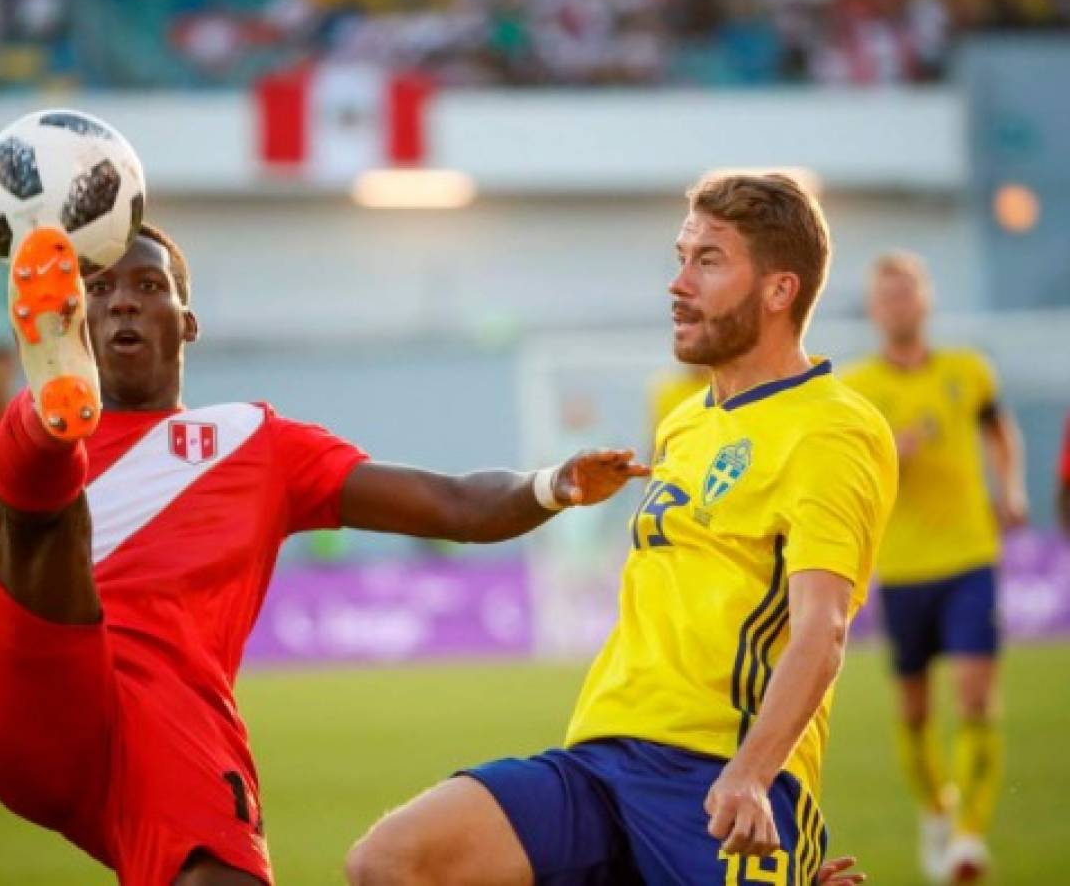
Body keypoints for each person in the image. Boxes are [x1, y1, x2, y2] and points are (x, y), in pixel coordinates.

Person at [0, 221, 650, 886]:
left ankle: (44, 432)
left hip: (170, 721)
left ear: (188, 320)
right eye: (98, 291)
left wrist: (554, 483)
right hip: (35, 689)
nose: (122, 303)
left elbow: (453, 504)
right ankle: (45, 427)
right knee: (44, 502)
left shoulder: (259, 445)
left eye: (146, 285)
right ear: (74, 320)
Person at [345, 172, 896, 886]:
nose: (677, 283)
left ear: (778, 290)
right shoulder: (685, 421)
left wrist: (752, 777)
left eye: (708, 260)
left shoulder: (831, 430)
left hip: (716, 781)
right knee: (390, 862)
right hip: (600, 760)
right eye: (679, 256)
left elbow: (821, 630)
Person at [842, 252, 1027, 884]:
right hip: (900, 568)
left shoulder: (968, 369)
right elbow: (847, 475)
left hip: (970, 557)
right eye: (886, 295)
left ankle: (970, 840)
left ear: (925, 300)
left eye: (907, 292)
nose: (898, 303)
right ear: (874, 310)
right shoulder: (858, 390)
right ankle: (935, 811)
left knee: (976, 698)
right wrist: (886, 455)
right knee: (916, 711)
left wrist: (1013, 489)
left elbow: (998, 431)